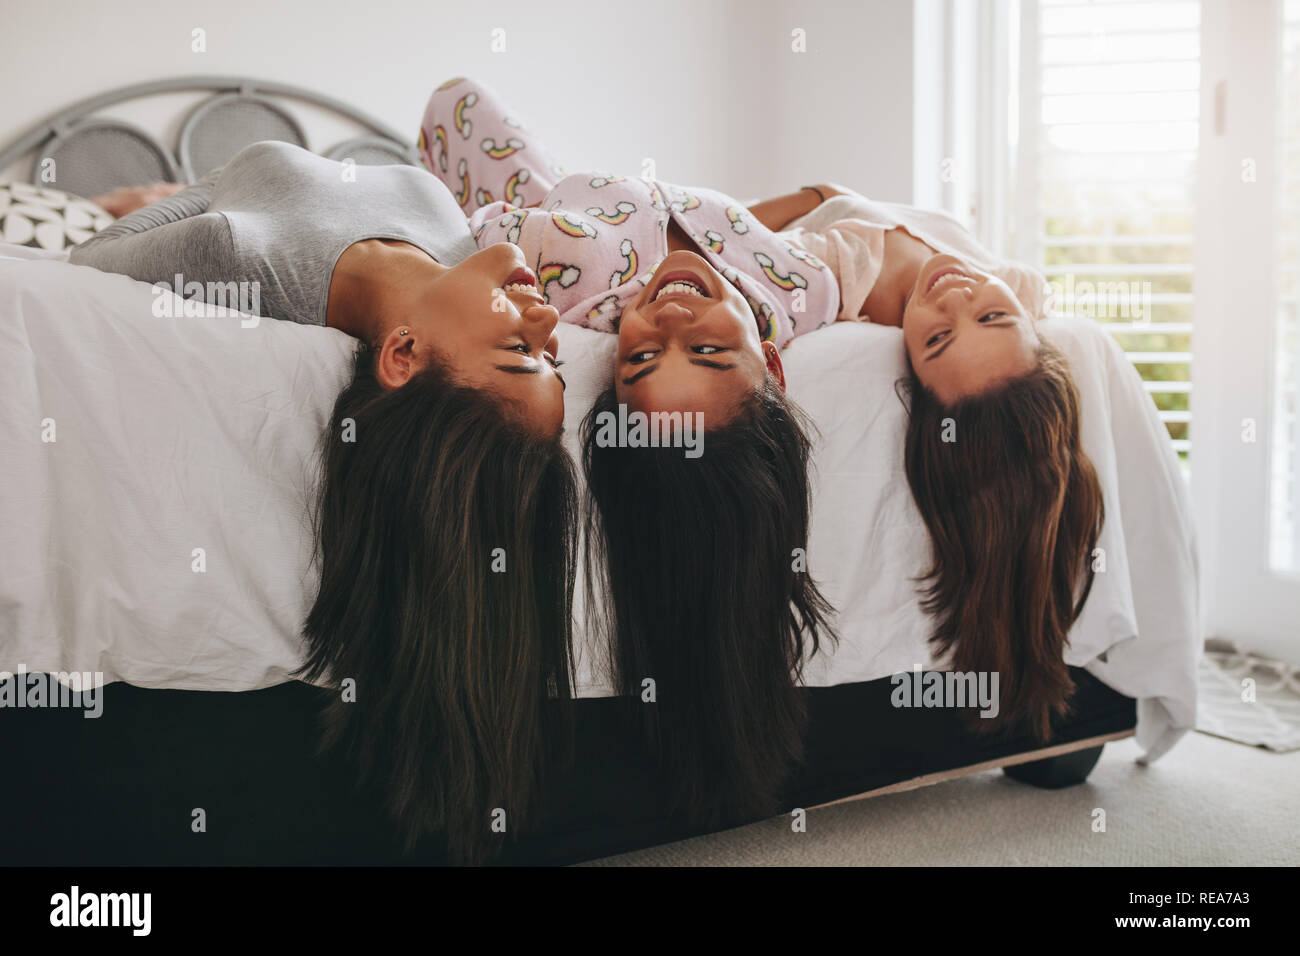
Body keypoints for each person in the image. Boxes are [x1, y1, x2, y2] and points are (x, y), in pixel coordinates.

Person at [69, 140, 579, 863]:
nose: (552, 326)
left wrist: (193, 193)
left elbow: (93, 256)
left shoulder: (237, 261)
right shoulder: (470, 242)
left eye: (522, 353)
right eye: (551, 361)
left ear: (402, 355)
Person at [421, 78, 838, 826]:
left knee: (457, 99)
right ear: (771, 366)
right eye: (710, 349)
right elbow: (771, 236)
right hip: (626, 193)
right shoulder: (805, 292)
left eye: (639, 361)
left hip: (542, 196)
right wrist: (811, 195)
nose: (670, 319)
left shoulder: (563, 272)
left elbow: (454, 256)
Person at [773, 191, 1106, 742]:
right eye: (994, 317)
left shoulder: (835, 277)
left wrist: (812, 197)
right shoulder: (1019, 288)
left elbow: (725, 230)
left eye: (936, 338)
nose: (956, 300)